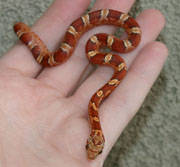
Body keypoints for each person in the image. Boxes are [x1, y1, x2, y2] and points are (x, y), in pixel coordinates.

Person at [0, 0, 168, 166]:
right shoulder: (95, 100)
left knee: (53, 58)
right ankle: (44, 55)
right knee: (53, 58)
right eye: (95, 148)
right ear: (98, 137)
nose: (91, 153)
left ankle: (43, 54)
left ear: (90, 139)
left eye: (90, 147)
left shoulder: (99, 96)